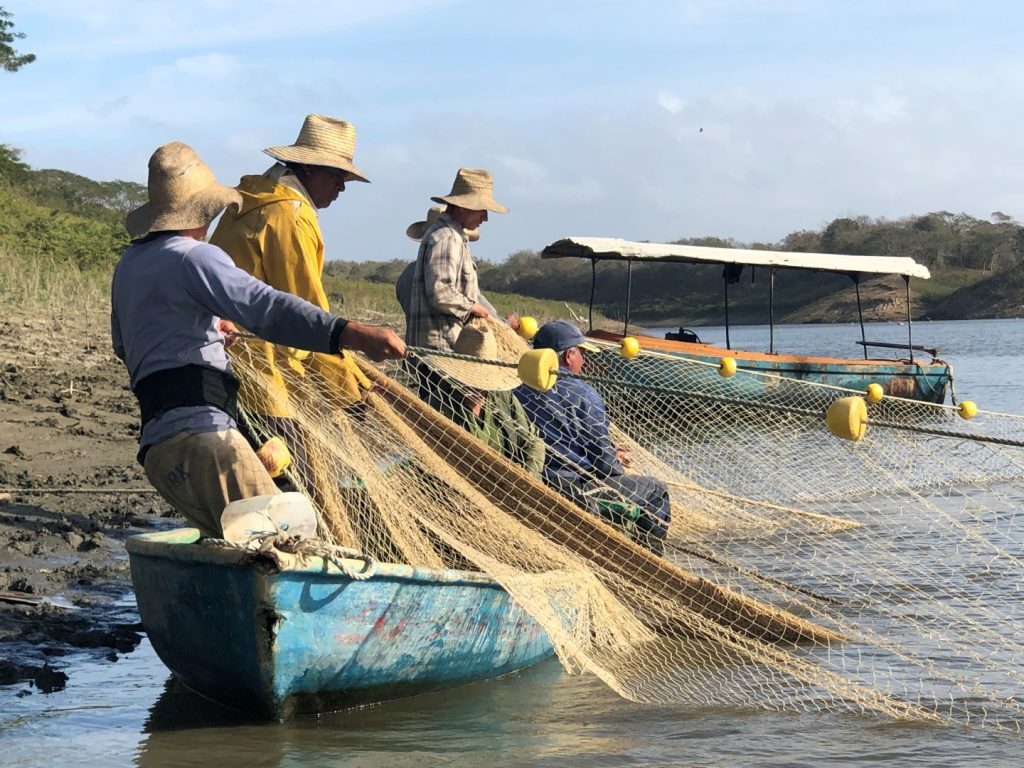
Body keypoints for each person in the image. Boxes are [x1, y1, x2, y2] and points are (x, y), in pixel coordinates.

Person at [110, 142, 405, 539]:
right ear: (206, 209)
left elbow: (126, 347)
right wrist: (348, 333)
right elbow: (269, 309)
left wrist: (210, 331)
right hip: (207, 441)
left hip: (159, 452)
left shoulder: (130, 264)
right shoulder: (196, 257)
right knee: (292, 542)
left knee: (238, 550)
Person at [209, 114, 377, 423]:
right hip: (263, 378)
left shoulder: (247, 202)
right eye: (336, 175)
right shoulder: (290, 216)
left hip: (217, 365)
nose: (342, 186)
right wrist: (349, 390)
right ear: (309, 167)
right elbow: (308, 313)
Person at [514, 321, 671, 554]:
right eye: (582, 354)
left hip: (531, 482)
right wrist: (614, 459)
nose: (584, 361)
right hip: (577, 489)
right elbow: (606, 466)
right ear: (569, 356)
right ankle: (649, 560)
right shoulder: (584, 393)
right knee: (656, 490)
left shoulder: (517, 389)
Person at [403, 168, 507, 351]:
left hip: (440, 347)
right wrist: (474, 307)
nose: (486, 217)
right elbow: (441, 292)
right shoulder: (447, 237)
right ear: (463, 206)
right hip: (441, 350)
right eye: (482, 210)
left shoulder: (452, 237)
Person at [422, 321, 544, 477]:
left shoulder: (501, 396)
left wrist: (526, 476)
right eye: (468, 378)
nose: (475, 387)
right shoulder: (437, 407)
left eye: (480, 380)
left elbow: (533, 441)